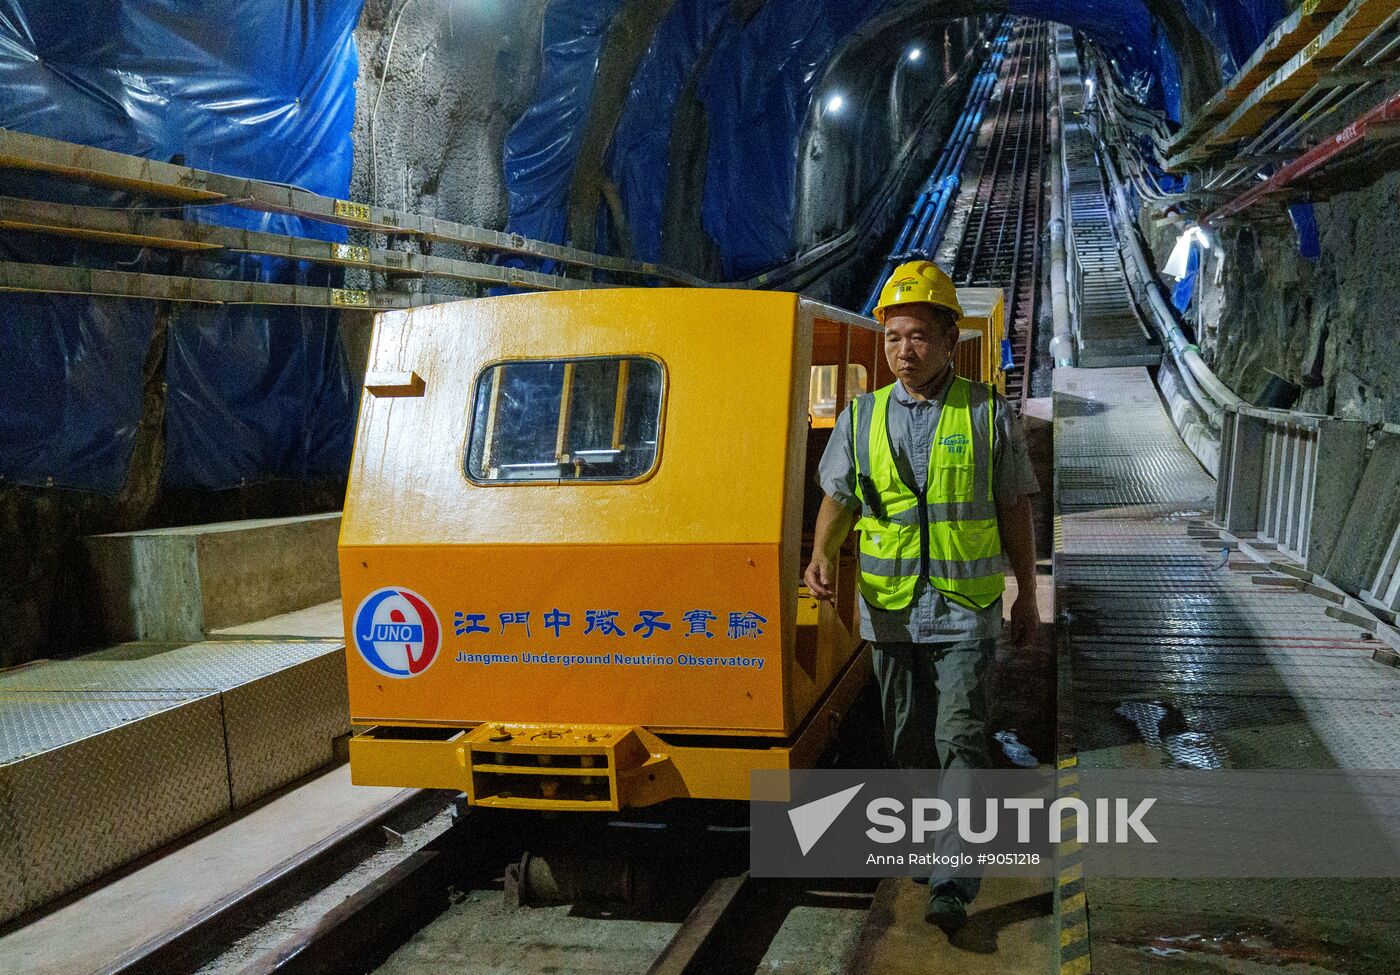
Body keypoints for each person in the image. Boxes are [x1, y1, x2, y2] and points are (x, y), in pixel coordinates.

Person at [803, 260, 1041, 935]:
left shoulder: (986, 412)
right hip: (891, 611)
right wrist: (821, 553)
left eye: (918, 337)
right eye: (893, 338)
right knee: (908, 743)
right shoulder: (864, 415)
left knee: (959, 734)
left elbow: (1014, 507)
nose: (904, 351)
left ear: (948, 337)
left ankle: (953, 879)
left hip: (965, 609)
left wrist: (1025, 594)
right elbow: (839, 497)